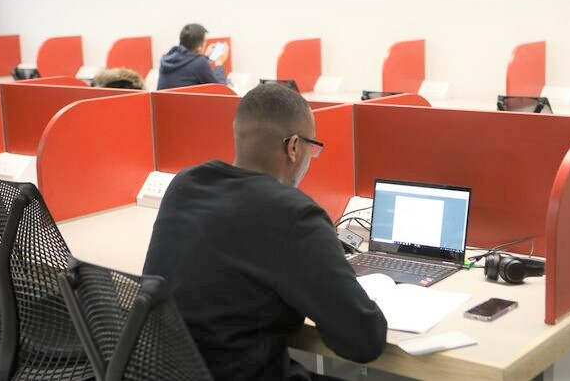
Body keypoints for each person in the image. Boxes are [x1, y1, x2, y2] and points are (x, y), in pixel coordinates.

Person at [142, 84, 387, 380]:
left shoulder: (185, 184)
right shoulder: (294, 214)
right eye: (313, 148)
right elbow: (363, 341)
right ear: (294, 147)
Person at [156, 23, 230, 90]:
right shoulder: (199, 63)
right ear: (199, 47)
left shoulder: (167, 59)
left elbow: (188, 68)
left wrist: (206, 58)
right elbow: (222, 91)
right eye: (205, 41)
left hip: (166, 104)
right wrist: (219, 63)